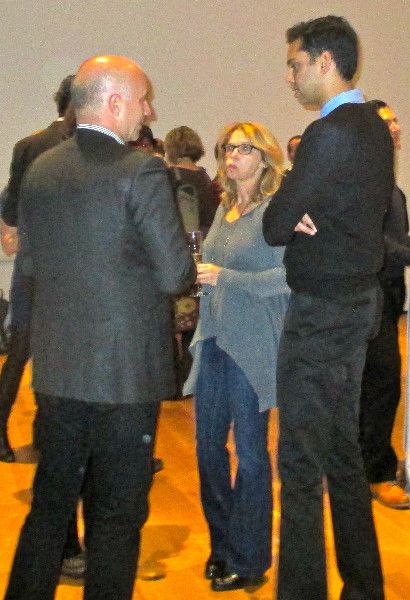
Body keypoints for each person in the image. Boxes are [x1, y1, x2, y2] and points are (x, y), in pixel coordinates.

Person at [4, 55, 195, 600]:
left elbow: (30, 265)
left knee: (49, 509)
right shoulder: (142, 171)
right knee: (115, 516)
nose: (148, 111)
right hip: (124, 377)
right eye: (142, 100)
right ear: (114, 103)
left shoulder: (42, 169)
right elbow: (175, 274)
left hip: (57, 370)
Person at [262, 16, 394, 600]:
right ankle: (364, 586)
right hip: (356, 306)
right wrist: (300, 213)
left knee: (298, 464)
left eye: (295, 64)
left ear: (324, 62)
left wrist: (294, 213)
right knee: (342, 454)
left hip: (321, 313)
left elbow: (274, 224)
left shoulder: (329, 132)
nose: (290, 77)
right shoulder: (373, 127)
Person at [184, 122, 289, 592]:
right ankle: (222, 543)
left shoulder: (276, 212)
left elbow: (287, 279)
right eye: (228, 147)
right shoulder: (224, 207)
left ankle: (249, 558)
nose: (232, 156)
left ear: (264, 158)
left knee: (249, 454)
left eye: (244, 149)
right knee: (207, 449)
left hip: (252, 346)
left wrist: (223, 278)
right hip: (213, 342)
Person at [0, 74, 75, 465]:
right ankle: (46, 437)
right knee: (57, 354)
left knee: (20, 351)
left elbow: (11, 209)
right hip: (68, 268)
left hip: (32, 265)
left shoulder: (28, 144)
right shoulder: (82, 146)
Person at [359, 100, 410, 509]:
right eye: (386, 122)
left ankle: (365, 467)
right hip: (367, 296)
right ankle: (375, 472)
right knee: (380, 384)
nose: (395, 128)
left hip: (388, 296)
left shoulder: (392, 188)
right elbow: (374, 244)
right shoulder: (364, 184)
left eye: (396, 121)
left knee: (378, 384)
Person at [164, 125, 217, 393]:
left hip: (179, 255)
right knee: (196, 322)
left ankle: (177, 384)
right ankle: (195, 380)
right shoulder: (208, 180)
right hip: (206, 256)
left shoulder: (168, 178)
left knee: (175, 322)